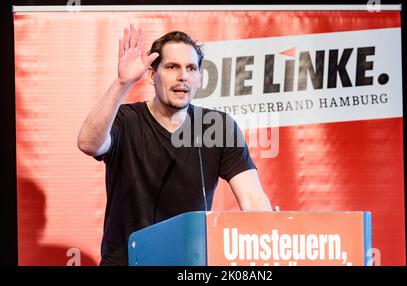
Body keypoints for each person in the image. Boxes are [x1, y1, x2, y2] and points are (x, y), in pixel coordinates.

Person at [77, 25, 272, 266]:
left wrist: (271, 244)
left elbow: (253, 200)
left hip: (191, 265)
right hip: (128, 262)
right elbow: (88, 143)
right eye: (172, 67)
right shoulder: (126, 120)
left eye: (191, 68)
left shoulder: (216, 127)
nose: (183, 76)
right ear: (152, 75)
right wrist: (122, 83)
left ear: (199, 77)